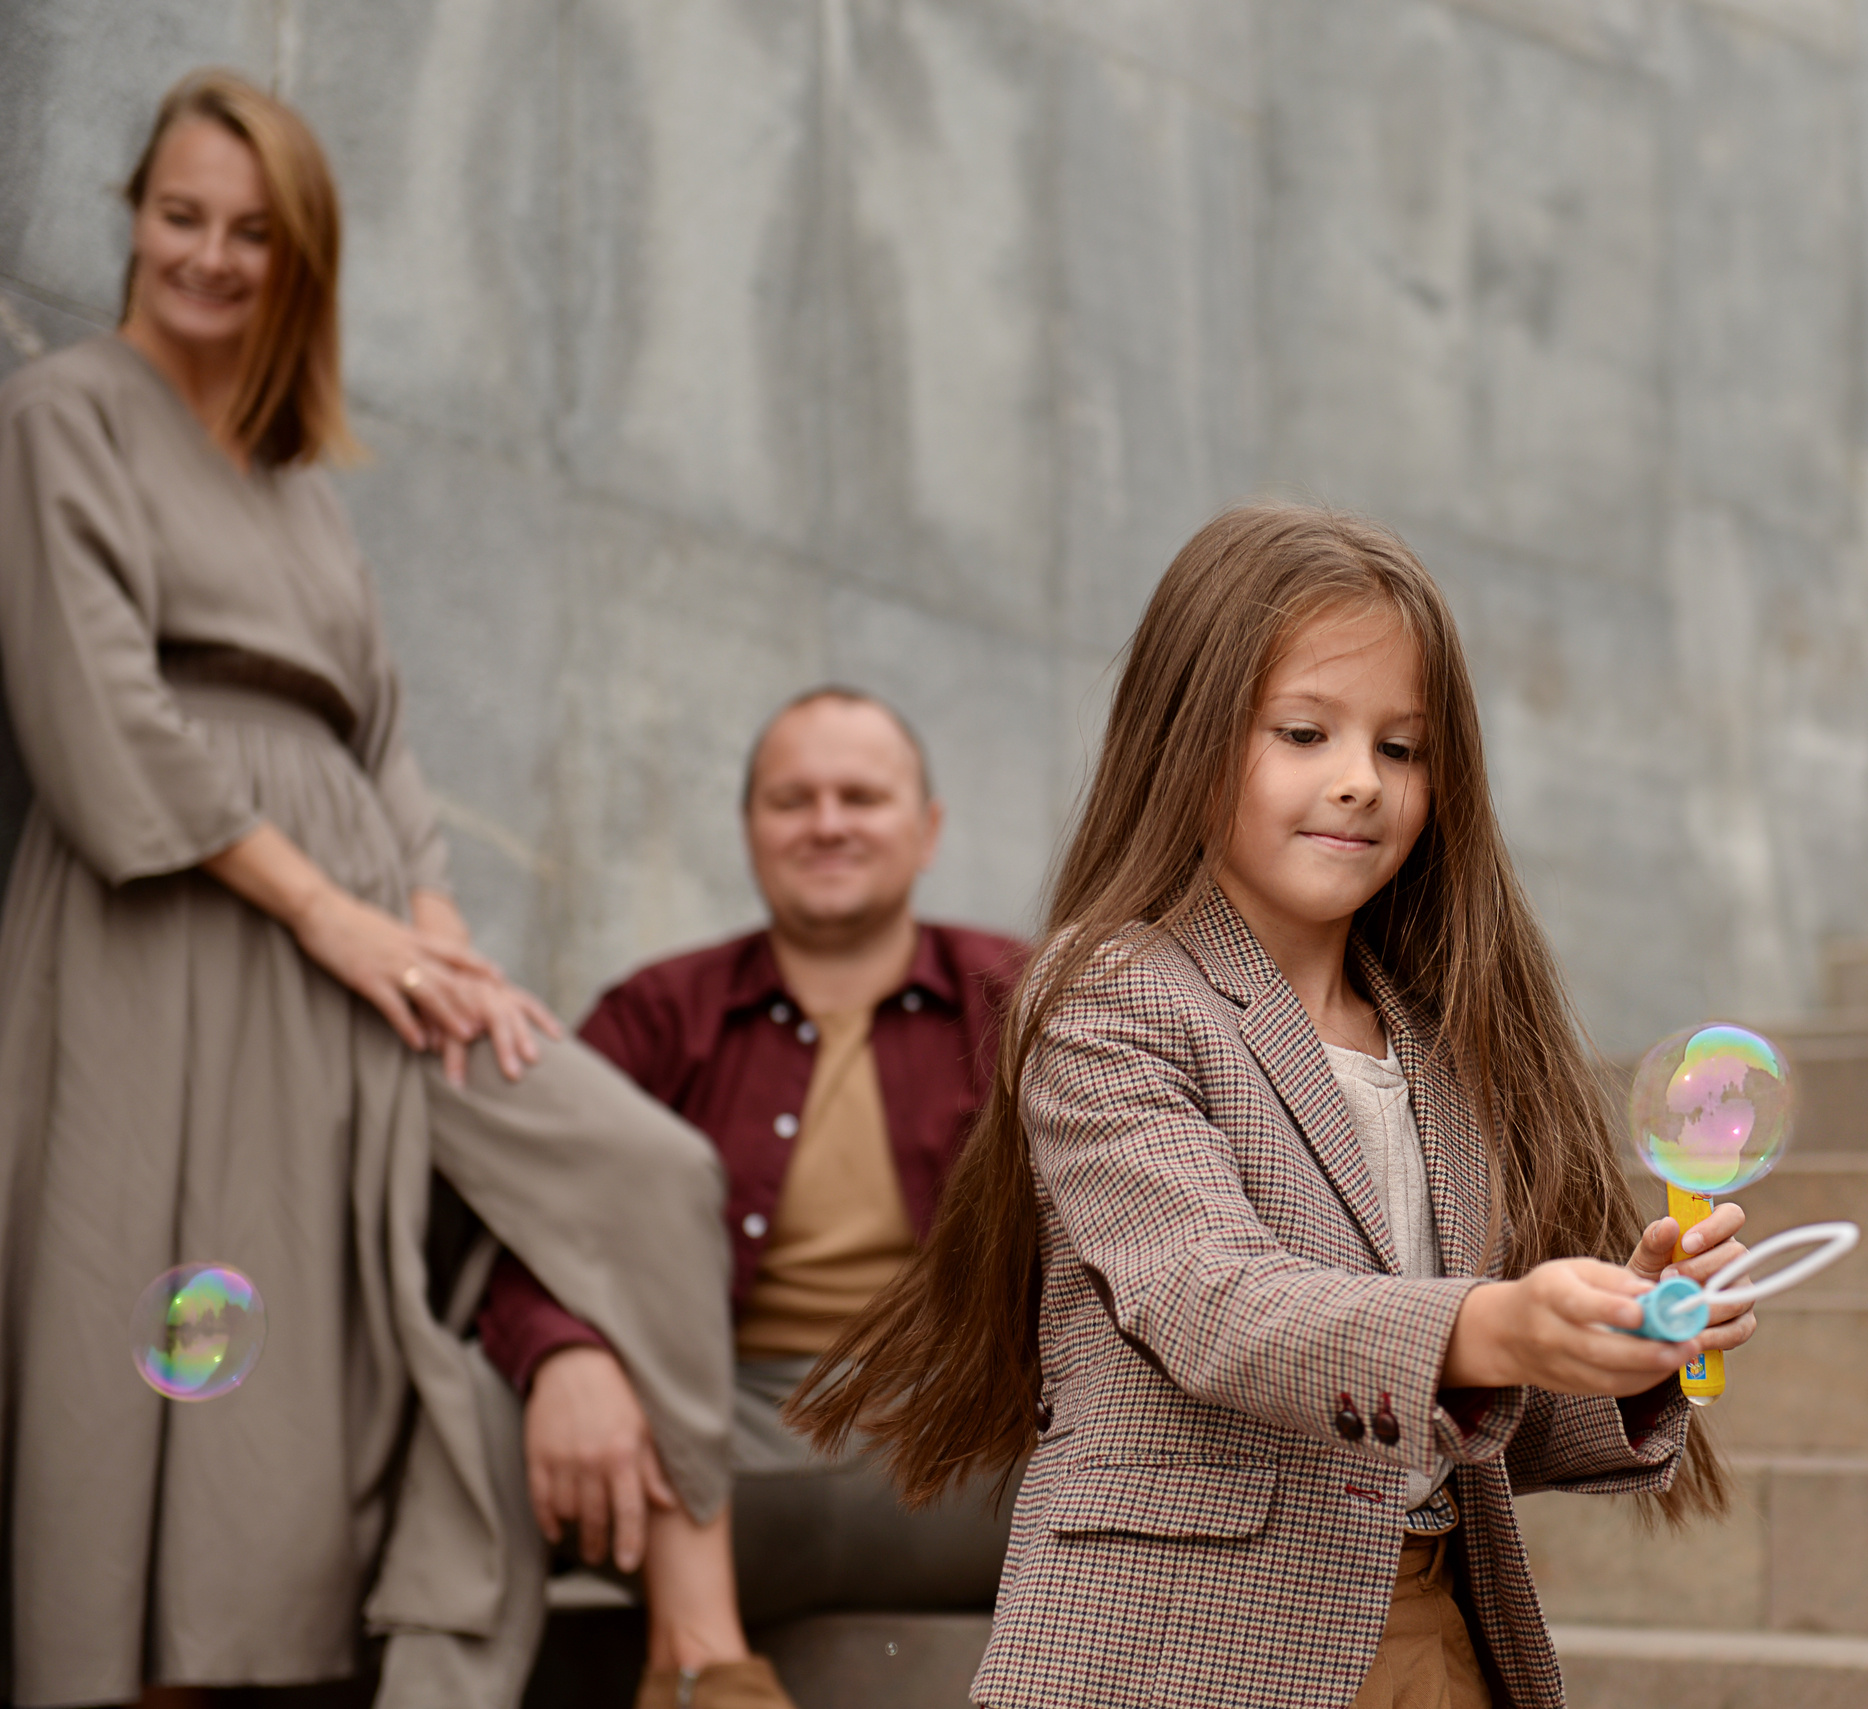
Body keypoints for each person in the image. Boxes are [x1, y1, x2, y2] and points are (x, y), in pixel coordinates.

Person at [0, 70, 787, 1709]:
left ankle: (696, 1645)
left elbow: (386, 735)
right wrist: (330, 912)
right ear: (132, 215)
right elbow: (98, 706)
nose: (209, 256)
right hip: (178, 927)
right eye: (179, 215)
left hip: (364, 930)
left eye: (252, 231)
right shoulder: (62, 413)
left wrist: (426, 916)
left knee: (635, 1162)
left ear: (303, 259)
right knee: (185, 1385)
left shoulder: (301, 488)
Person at [792, 503, 1761, 1709]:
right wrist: (1496, 1321)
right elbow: (1214, 1299)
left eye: (1402, 749)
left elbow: (1473, 1421)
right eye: (1304, 731)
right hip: (1167, 1657)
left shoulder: (1446, 1042)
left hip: (1435, 1636)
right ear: (1184, 739)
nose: (1359, 781)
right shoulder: (1110, 995)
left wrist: (1619, 1350)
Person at [474, 688, 1023, 1628]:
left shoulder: (1024, 1000)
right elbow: (521, 1222)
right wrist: (566, 1354)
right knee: (475, 1406)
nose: (827, 824)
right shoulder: (657, 1014)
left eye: (861, 797)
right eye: (791, 800)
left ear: (927, 830)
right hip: (708, 1436)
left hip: (964, 1446)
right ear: (749, 829)